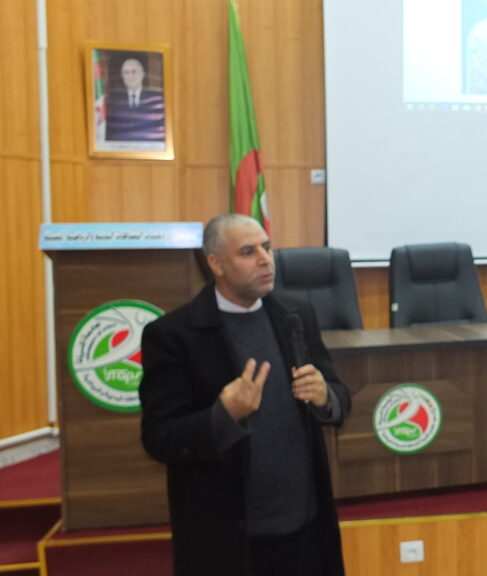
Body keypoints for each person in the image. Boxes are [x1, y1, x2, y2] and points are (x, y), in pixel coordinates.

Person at [139, 213, 350, 576]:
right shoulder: (173, 335)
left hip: (306, 529)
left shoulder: (296, 314)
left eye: (267, 247)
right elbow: (159, 438)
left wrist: (326, 396)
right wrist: (223, 414)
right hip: (228, 541)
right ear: (216, 264)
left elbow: (339, 398)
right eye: (248, 252)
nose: (266, 260)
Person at [105, 57, 166, 142]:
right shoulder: (114, 100)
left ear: (143, 74)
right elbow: (110, 132)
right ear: (122, 76)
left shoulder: (156, 99)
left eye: (134, 71)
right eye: (126, 72)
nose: (130, 76)